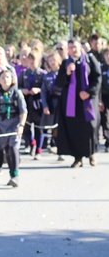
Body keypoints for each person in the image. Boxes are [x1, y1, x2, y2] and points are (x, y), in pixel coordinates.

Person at [55, 37, 102, 167]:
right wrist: (67, 73)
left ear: (80, 47)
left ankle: (91, 154)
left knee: (90, 128)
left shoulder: (89, 60)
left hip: (88, 101)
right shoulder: (66, 63)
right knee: (74, 129)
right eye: (70, 48)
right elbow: (59, 83)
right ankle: (78, 157)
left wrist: (89, 92)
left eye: (75, 47)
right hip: (72, 103)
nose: (73, 50)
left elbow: (98, 78)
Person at [0, 69, 27, 187]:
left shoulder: (17, 93)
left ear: (12, 80)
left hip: (14, 123)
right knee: (5, 150)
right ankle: (11, 173)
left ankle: (15, 175)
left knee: (13, 148)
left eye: (8, 77)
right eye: (2, 77)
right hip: (1, 124)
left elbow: (23, 111)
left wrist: (21, 125)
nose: (5, 80)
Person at [18, 49, 46, 159]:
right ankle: (31, 143)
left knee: (39, 127)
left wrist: (38, 90)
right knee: (26, 126)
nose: (31, 61)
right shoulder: (24, 73)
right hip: (26, 102)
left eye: (33, 59)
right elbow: (17, 87)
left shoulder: (42, 74)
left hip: (38, 102)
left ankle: (39, 149)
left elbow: (46, 88)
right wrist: (23, 90)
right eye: (29, 59)